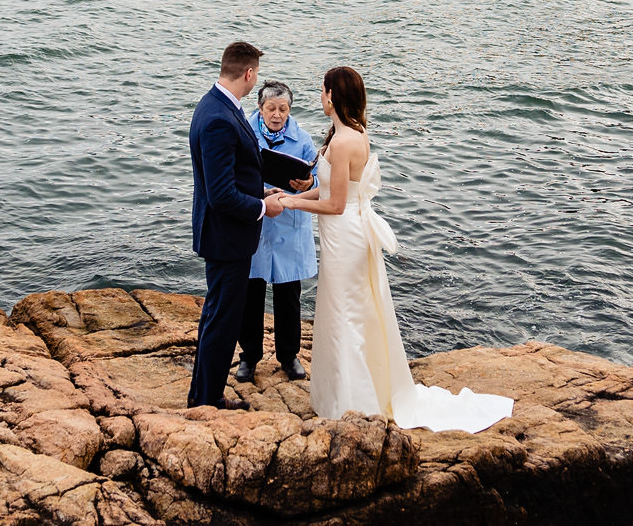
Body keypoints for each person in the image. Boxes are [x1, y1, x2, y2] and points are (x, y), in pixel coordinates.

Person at [268, 65, 513, 433]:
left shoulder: (341, 141)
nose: (320, 96)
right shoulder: (354, 133)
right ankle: (348, 391)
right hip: (348, 229)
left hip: (344, 232)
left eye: (322, 90)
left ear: (333, 95)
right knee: (350, 308)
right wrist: (298, 194)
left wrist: (290, 204)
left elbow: (335, 204)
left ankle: (349, 400)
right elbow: (335, 190)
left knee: (344, 313)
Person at [186, 40, 283, 409]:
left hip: (225, 234)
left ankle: (202, 393)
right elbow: (222, 194)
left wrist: (261, 188)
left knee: (217, 316)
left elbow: (230, 175)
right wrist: (263, 207)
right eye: (255, 73)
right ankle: (207, 400)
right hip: (226, 236)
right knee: (222, 321)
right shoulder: (218, 119)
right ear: (248, 73)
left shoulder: (218, 106)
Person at [235, 80, 317, 384]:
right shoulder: (244, 133)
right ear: (260, 107)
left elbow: (321, 182)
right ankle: (249, 357)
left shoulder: (304, 139)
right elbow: (232, 175)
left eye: (283, 109)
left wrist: (309, 185)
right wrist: (260, 189)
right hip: (256, 221)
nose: (277, 115)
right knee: (250, 293)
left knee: (288, 295)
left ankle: (288, 355)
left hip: (288, 227)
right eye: (271, 108)